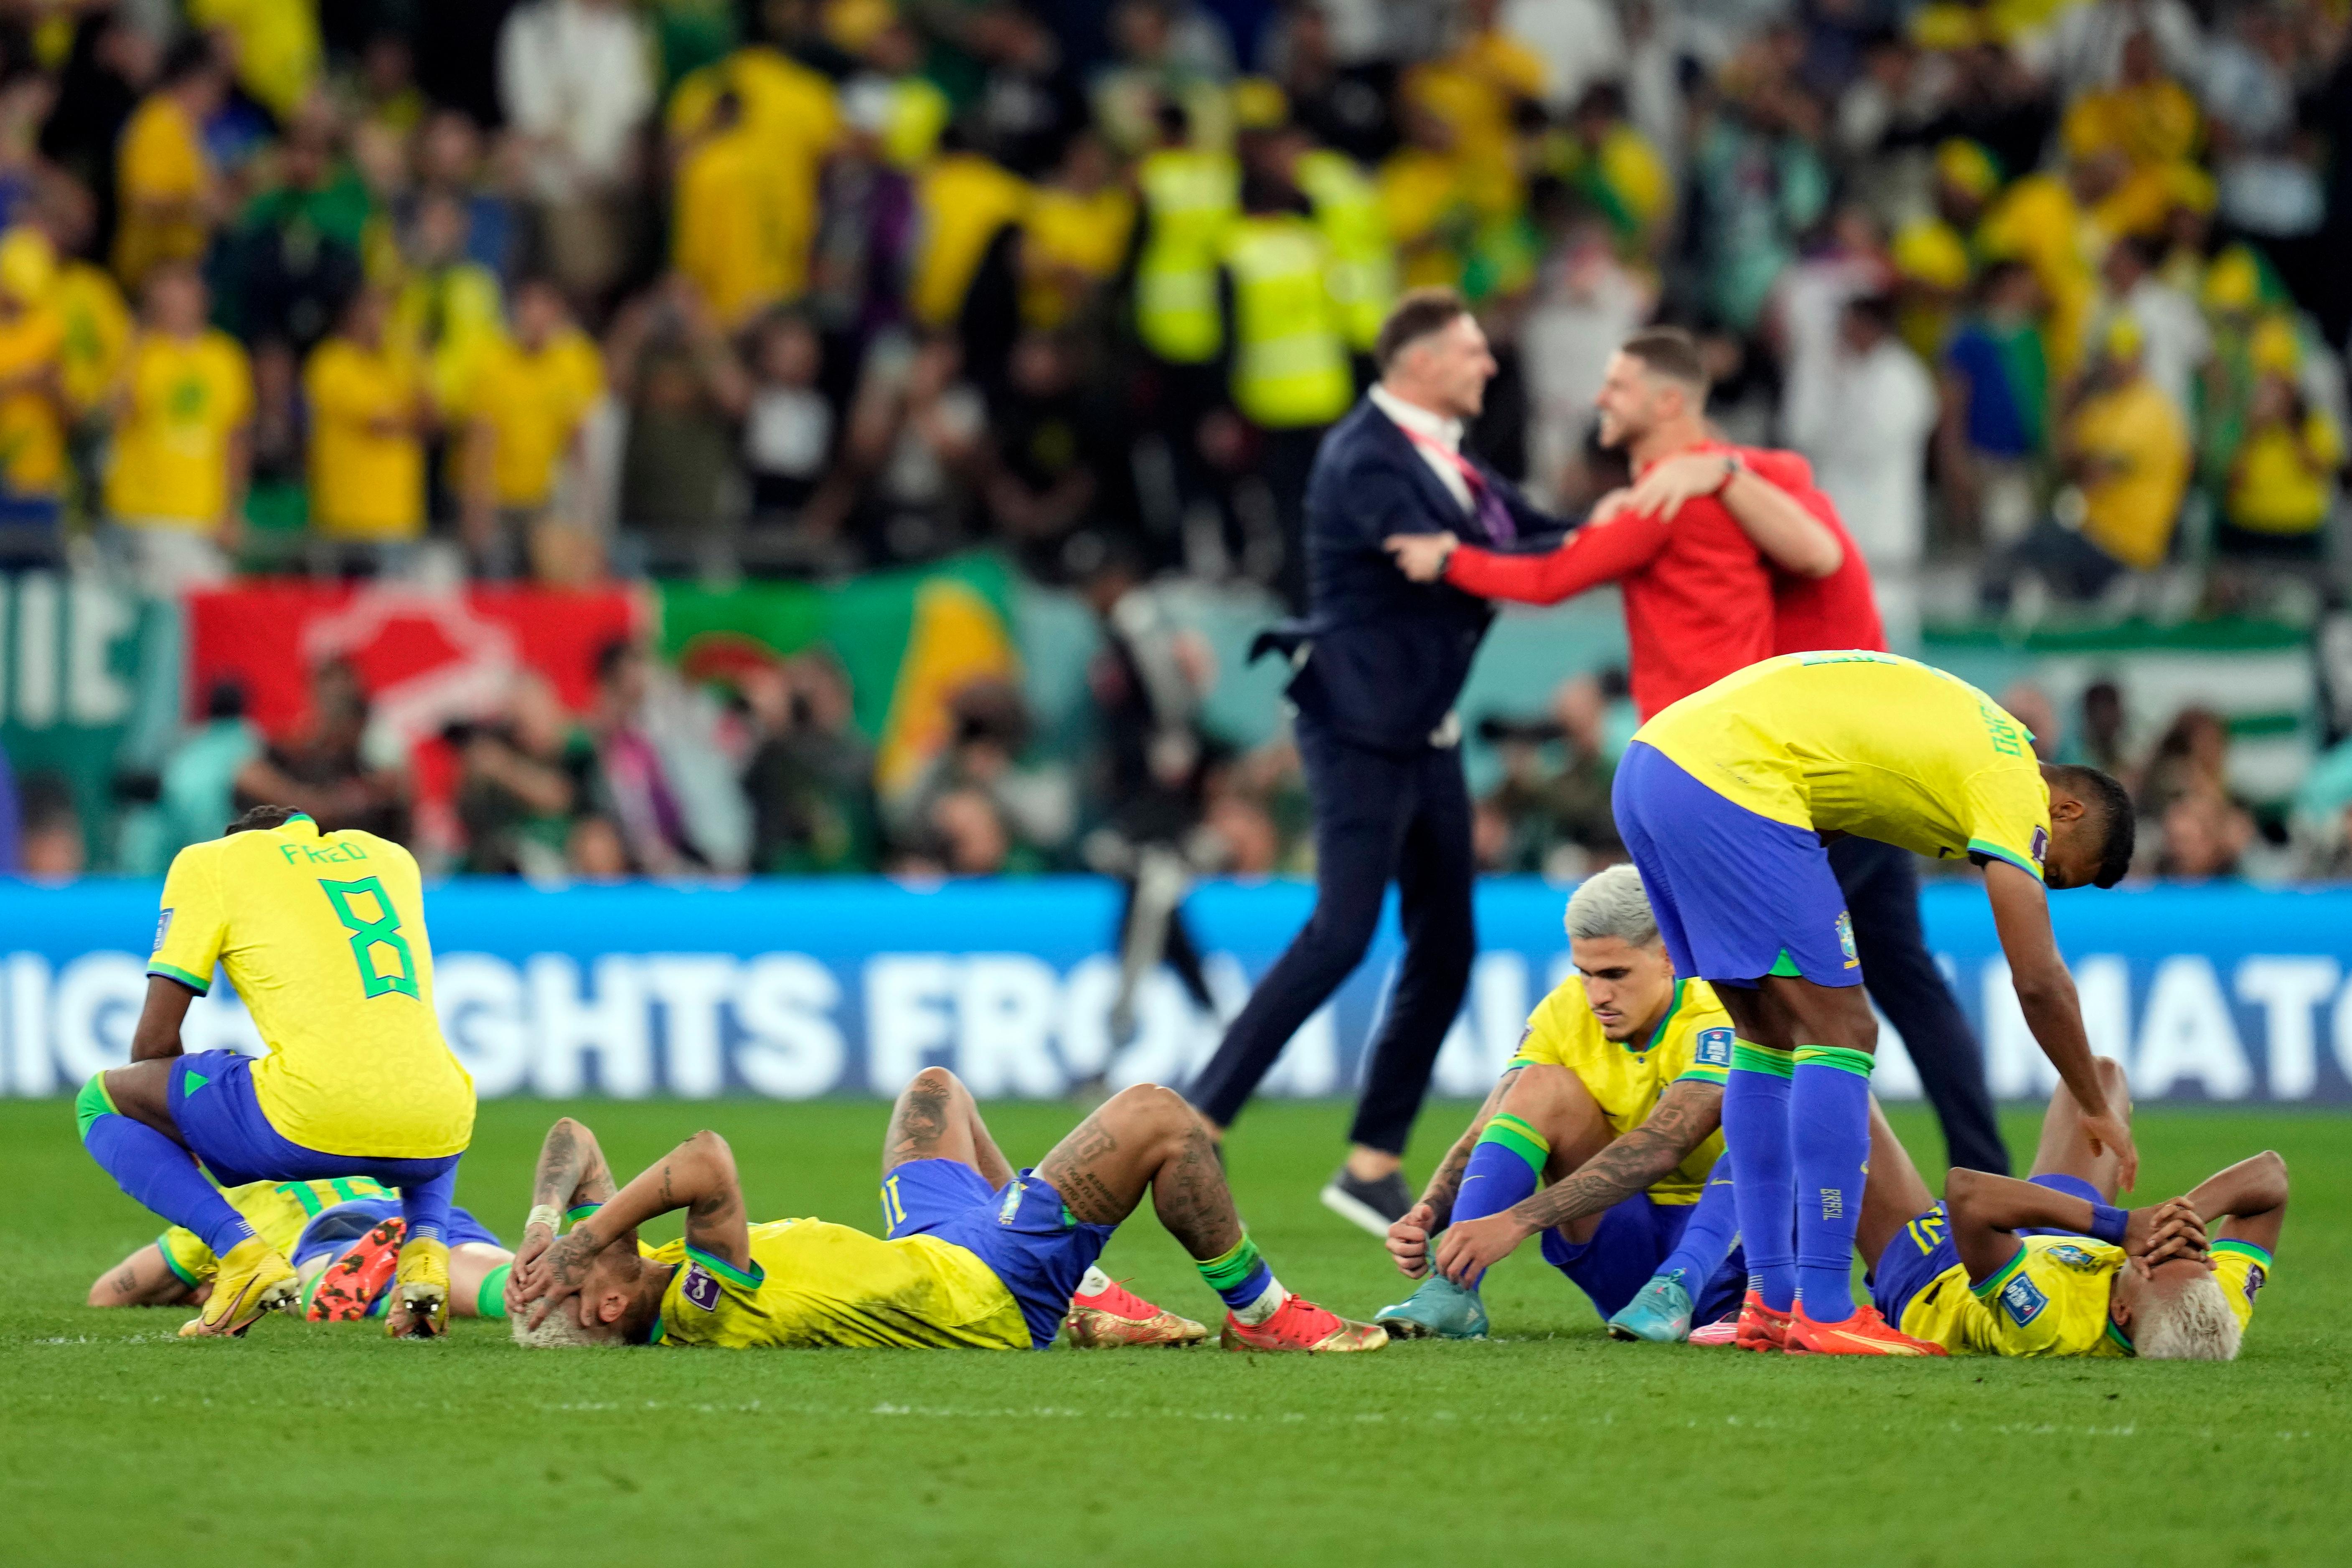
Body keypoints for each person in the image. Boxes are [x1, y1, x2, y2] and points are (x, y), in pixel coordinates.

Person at [1394, 326, 2014, 1179]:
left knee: (1776, 1004)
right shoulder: (1730, 489)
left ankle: (1767, 1205)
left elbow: (1555, 575)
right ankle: (1956, 1174)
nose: (1598, 397)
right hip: (1836, 765)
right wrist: (1714, 474)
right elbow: (1796, 513)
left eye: (1617, 384)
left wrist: (1447, 557)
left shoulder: (1702, 494)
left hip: (1781, 779)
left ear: (1668, 402)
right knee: (1883, 985)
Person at [1611, 651, 2140, 1356]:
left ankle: (1769, 1300)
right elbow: (2039, 977)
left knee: (1765, 1033)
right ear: (2065, 809)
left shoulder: (1983, 740)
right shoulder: (2013, 784)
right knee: (1846, 1028)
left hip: (1655, 765)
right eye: (2054, 868)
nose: (2038, 871)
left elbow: (1843, 782)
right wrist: (2095, 1103)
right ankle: (1824, 1303)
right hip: (1732, 781)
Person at [1186, 289, 1561, 1238]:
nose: (1488, 365)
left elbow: (1530, 538)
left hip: (1420, 725)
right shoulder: (1363, 456)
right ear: (1421, 362)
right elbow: (1478, 555)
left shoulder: (1451, 463)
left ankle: (1370, 1163)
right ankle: (1199, 1118)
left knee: (1446, 945)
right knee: (1342, 931)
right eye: (1473, 350)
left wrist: (1633, 531)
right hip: (1356, 722)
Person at [505, 1070, 1387, 1354]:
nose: (598, 1239)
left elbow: (574, 1136)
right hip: (984, 1286)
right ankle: (1261, 1313)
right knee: (1158, 1115)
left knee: (937, 1092)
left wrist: (548, 1228)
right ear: (607, 1306)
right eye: (582, 1272)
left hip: (929, 1245)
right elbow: (706, 1156)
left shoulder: (641, 1264)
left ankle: (1087, 1282)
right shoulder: (699, 1299)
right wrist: (583, 1240)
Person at [74, 804, 476, 1337]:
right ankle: (425, 1251)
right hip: (444, 1123)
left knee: (99, 1101)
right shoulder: (391, 858)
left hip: (311, 1115)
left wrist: (181, 1128)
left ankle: (241, 1255)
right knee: (417, 1080)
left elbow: (154, 1042)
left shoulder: (212, 862)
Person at [1372, 866, 1744, 1343]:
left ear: (1669, 957)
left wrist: (1517, 1221)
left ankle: (1681, 1286)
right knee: (1539, 1086)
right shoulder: (1565, 1009)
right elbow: (1489, 1125)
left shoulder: (1716, 1014)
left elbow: (1665, 1142)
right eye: (1585, 974)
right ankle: (1452, 1289)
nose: (1597, 996)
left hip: (1726, 1261)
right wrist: (1431, 1211)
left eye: (1615, 974)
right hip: (1627, 1266)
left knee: (1774, 1120)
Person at [1859, 1058, 2283, 1359]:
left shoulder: (2049, 1323)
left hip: (1940, 1272)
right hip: (2071, 1243)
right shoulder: (2211, 1303)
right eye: (2191, 1251)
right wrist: (2181, 1215)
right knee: (2098, 1079)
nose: (2170, 1244)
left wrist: (2119, 1227)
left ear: (2121, 1312)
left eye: (2158, 1256)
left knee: (1844, 1094)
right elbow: (2270, 1177)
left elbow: (1967, 1194)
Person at [87, 1175, 513, 1325]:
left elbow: (110, 1294)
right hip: (422, 1212)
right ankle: (532, 1282)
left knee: (306, 1284)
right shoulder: (350, 1155)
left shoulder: (231, 1201)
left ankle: (372, 1292)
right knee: (486, 1276)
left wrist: (202, 1283)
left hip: (333, 1234)